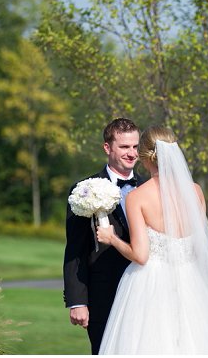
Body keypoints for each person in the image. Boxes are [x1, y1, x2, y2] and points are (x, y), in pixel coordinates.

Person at [94, 127, 208, 354]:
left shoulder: (138, 197)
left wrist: (112, 238)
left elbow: (140, 255)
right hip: (191, 281)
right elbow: (199, 247)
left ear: (144, 157)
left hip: (150, 285)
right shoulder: (195, 192)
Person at [63, 118, 143, 355]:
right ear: (107, 148)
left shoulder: (149, 188)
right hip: (103, 293)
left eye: (136, 147)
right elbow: (75, 249)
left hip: (144, 290)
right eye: (124, 147)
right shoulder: (84, 190)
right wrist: (78, 301)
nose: (132, 153)